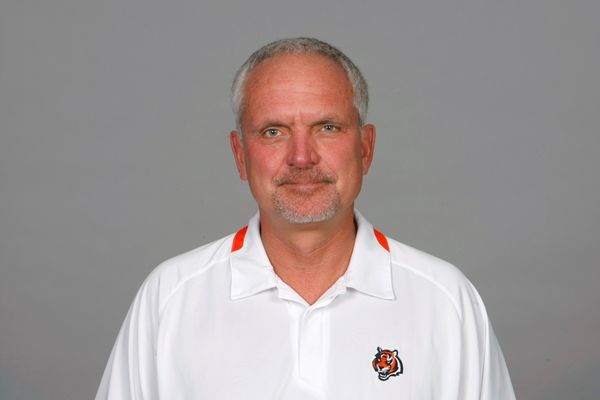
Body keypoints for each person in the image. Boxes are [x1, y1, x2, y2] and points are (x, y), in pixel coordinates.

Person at [96, 38, 516, 399]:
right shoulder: (170, 299)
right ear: (240, 155)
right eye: (273, 131)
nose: (301, 157)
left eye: (327, 127)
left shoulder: (445, 302)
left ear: (365, 148)